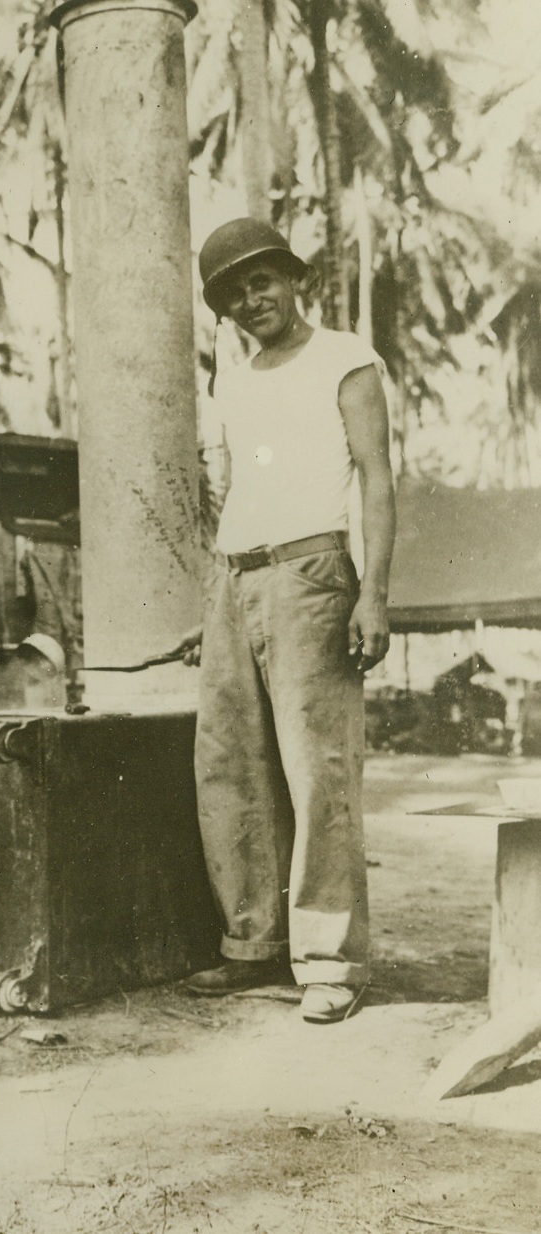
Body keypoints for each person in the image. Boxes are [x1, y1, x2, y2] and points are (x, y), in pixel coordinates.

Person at [176, 218, 396, 1023]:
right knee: (230, 766)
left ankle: (332, 961)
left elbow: (375, 480)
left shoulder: (347, 357)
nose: (250, 300)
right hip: (238, 581)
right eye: (233, 293)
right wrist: (218, 597)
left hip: (313, 573)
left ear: (292, 278)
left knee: (317, 771)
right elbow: (235, 494)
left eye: (261, 280)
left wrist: (373, 593)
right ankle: (251, 944)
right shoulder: (230, 381)